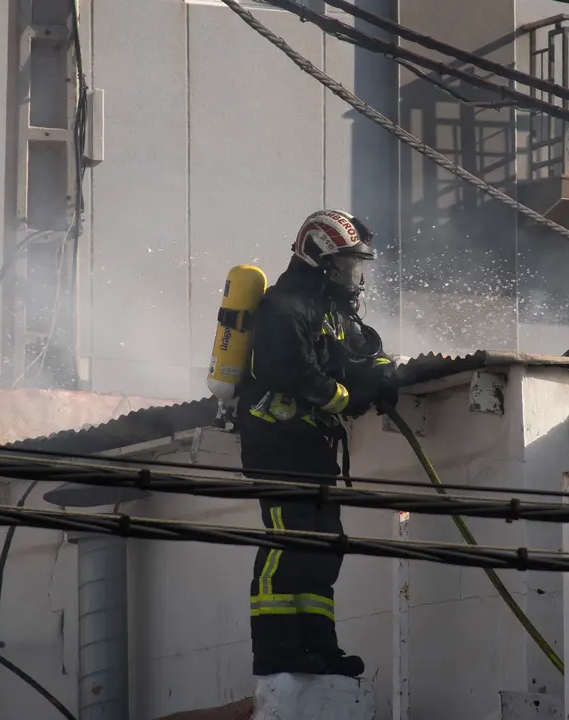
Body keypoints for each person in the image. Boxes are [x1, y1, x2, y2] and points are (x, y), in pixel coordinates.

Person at [237, 209, 399, 678]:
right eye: (347, 264)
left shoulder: (331, 309)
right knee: (289, 541)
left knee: (325, 546)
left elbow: (362, 350)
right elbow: (293, 373)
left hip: (311, 445)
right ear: (319, 259)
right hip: (276, 444)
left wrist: (384, 375)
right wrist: (348, 398)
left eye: (357, 265)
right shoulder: (284, 307)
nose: (355, 276)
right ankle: (276, 649)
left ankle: (319, 647)